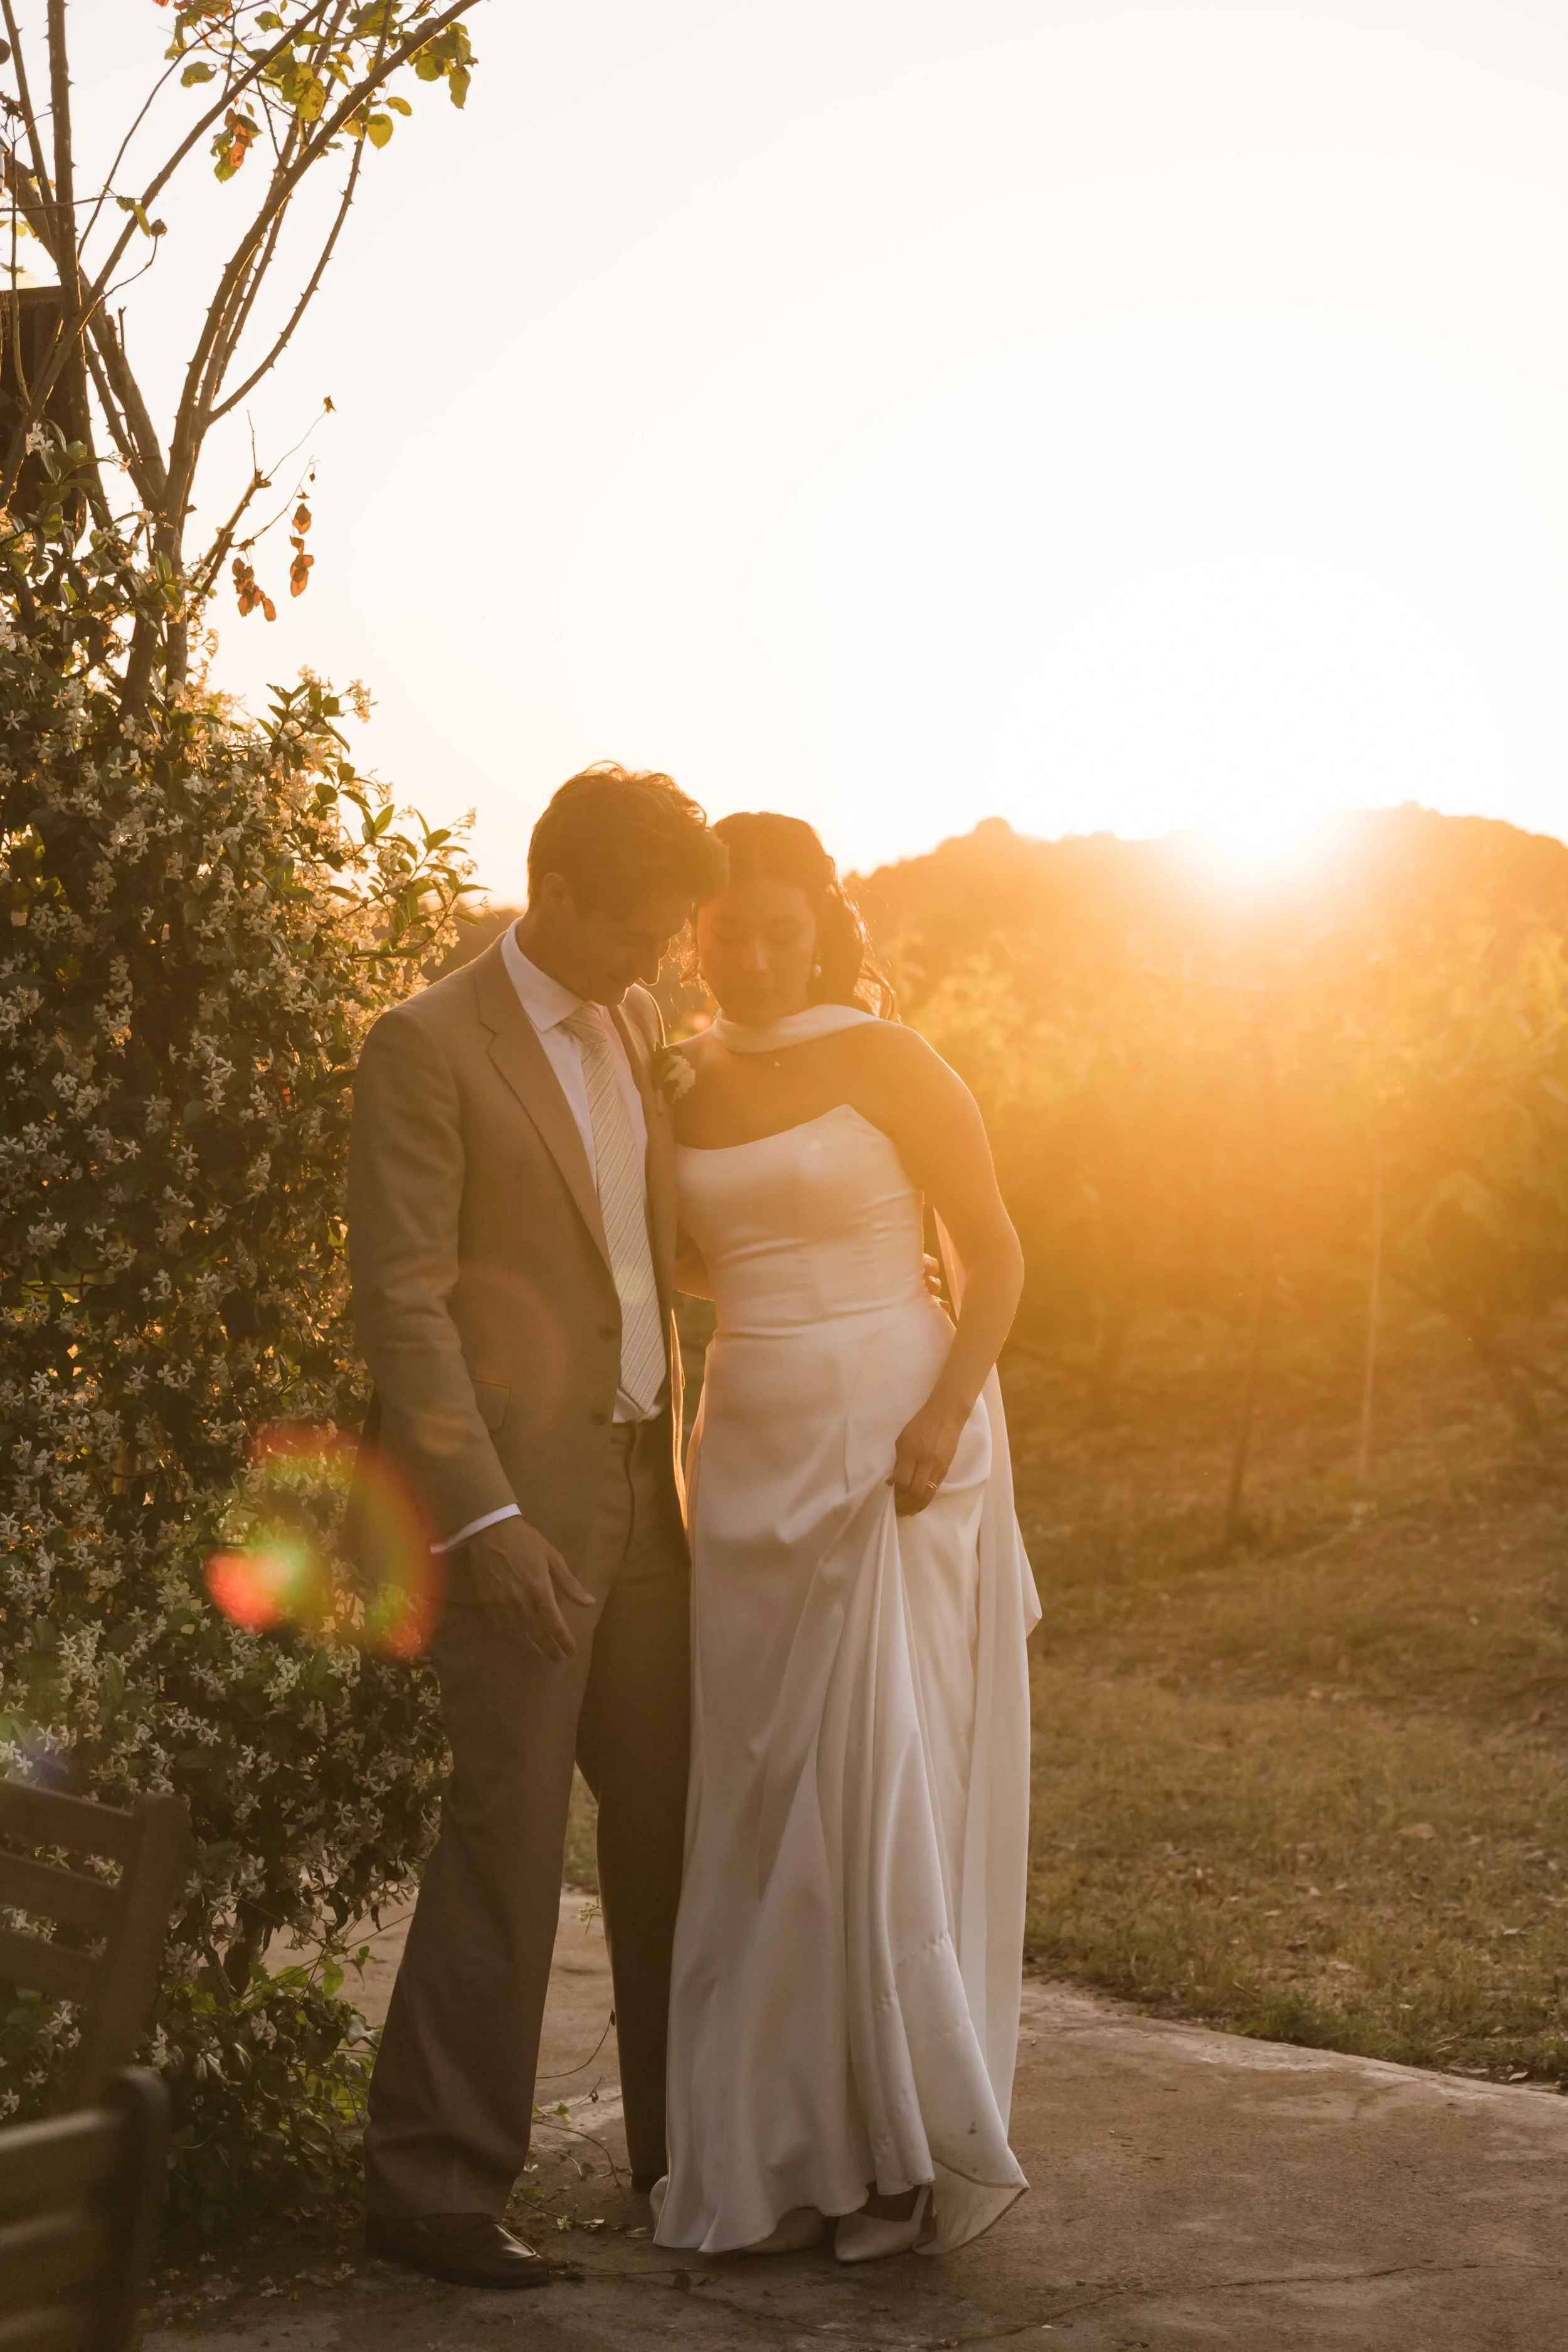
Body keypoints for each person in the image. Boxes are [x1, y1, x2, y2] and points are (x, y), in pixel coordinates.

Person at [346, 764, 728, 2289]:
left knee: (674, 1833)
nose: (656, 958)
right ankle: (430, 2185)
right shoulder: (424, 1044)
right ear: (550, 892)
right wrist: (484, 1518)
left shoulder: (637, 1026)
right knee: (505, 1838)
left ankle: (683, 2150)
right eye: (635, 926)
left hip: (653, 1500)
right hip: (517, 1516)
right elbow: (405, 1303)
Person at [654, 812, 1041, 2263]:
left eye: (772, 928)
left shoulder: (891, 1060)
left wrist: (943, 1417)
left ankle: (894, 2150)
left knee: (869, 1785)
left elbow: (995, 1253)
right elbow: (685, 1265)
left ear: (819, 923)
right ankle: (775, 2148)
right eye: (720, 932)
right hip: (748, 1441)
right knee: (760, 1795)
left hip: (896, 1437)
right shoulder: (674, 1077)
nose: (748, 957)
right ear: (690, 936)